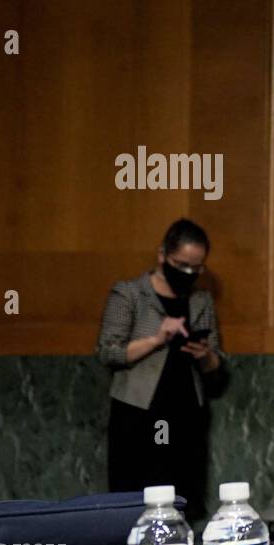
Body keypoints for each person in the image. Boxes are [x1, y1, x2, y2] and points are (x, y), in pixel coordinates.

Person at [96, 219, 226, 521]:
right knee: (133, 496)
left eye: (197, 268)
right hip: (138, 412)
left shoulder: (200, 299)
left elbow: (217, 362)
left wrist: (204, 355)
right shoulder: (129, 294)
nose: (189, 274)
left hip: (186, 411)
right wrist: (157, 339)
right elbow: (108, 351)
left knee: (183, 497)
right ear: (162, 255)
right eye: (182, 266)